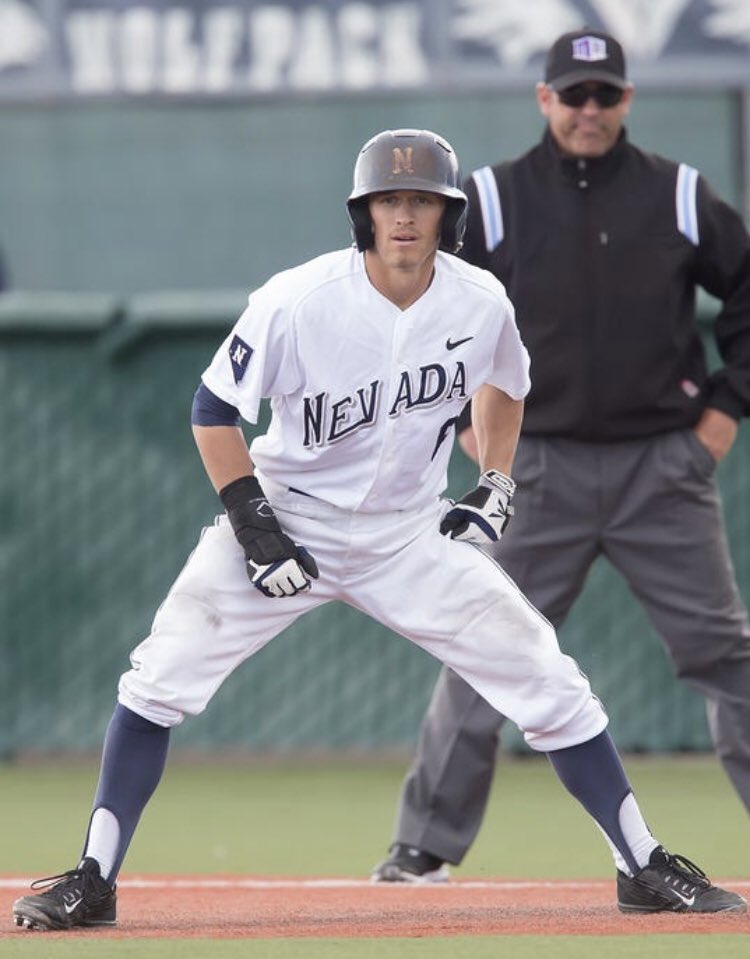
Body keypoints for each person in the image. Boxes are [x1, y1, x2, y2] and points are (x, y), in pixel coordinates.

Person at [13, 128, 745, 934]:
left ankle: (640, 863)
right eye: (388, 201)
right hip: (287, 515)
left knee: (550, 679)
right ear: (363, 214)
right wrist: (254, 524)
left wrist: (496, 479)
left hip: (406, 534)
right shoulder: (300, 299)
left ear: (448, 216)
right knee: (159, 675)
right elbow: (213, 410)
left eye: (422, 201)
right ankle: (95, 876)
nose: (404, 216)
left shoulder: (478, 300)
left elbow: (507, 384)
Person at [371, 30, 750, 889]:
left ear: (627, 101)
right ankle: (423, 846)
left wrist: (726, 408)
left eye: (604, 95)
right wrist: (457, 419)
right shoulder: (493, 199)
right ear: (543, 99)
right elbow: (420, 305)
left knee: (724, 656)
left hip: (664, 468)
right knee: (483, 645)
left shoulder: (682, 196)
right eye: (572, 94)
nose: (588, 110)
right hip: (535, 470)